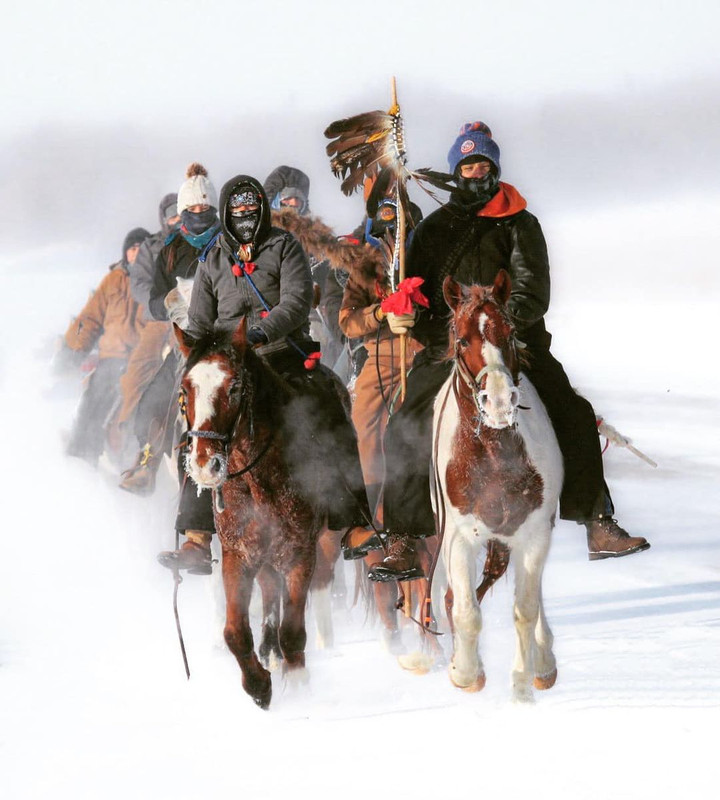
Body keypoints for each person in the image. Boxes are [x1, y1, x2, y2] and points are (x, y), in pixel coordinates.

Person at [368, 121, 650, 582]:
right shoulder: (432, 230)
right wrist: (405, 313)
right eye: (467, 165)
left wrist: (497, 329)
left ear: (495, 168)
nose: (476, 172)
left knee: (573, 413)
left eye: (483, 164)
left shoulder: (521, 223)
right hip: (450, 348)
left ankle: (596, 521)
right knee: (403, 424)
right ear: (455, 171)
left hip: (517, 344)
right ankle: (403, 536)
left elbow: (533, 293)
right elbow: (419, 294)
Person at [157, 173, 372, 574]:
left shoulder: (285, 246)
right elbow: (202, 320)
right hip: (230, 363)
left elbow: (295, 301)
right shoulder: (214, 258)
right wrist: (196, 356)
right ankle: (197, 537)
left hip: (280, 354)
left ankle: (354, 521)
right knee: (198, 428)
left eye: (250, 209)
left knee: (328, 400)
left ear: (261, 210)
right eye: (236, 211)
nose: (243, 216)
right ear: (226, 213)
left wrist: (260, 331)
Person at [119, 166, 220, 495]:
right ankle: (147, 462)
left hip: (225, 335)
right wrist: (169, 302)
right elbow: (151, 299)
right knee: (155, 399)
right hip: (185, 341)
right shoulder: (170, 250)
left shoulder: (228, 242)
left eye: (204, 208)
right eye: (191, 209)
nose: (198, 215)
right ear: (181, 212)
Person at [63, 227, 151, 466]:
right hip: (111, 357)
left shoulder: (156, 280)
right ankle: (80, 457)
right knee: (95, 396)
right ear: (125, 253)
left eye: (143, 248)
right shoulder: (113, 280)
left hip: (142, 359)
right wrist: (73, 348)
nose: (137, 253)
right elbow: (90, 317)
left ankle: (135, 464)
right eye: (133, 248)